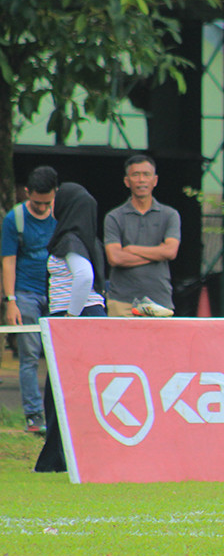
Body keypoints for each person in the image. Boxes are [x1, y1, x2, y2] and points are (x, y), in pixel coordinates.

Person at [35, 183, 107, 473]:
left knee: (58, 393)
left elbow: (84, 276)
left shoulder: (70, 239)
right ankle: (65, 458)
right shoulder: (88, 239)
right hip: (89, 316)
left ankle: (54, 461)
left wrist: (70, 317)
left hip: (76, 317)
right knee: (74, 390)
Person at [2, 166, 58, 434]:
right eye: (37, 203)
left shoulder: (62, 214)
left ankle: (58, 415)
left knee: (59, 355)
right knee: (30, 355)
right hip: (25, 292)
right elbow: (8, 260)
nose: (42, 208)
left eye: (47, 203)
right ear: (27, 193)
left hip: (57, 291)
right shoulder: (15, 218)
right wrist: (11, 300)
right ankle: (33, 415)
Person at [104, 154, 181, 317]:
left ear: (155, 180)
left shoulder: (170, 215)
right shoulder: (114, 217)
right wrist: (158, 254)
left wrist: (131, 249)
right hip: (122, 301)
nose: (141, 180)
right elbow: (115, 258)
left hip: (159, 299)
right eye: (135, 175)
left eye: (146, 174)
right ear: (127, 181)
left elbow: (170, 252)